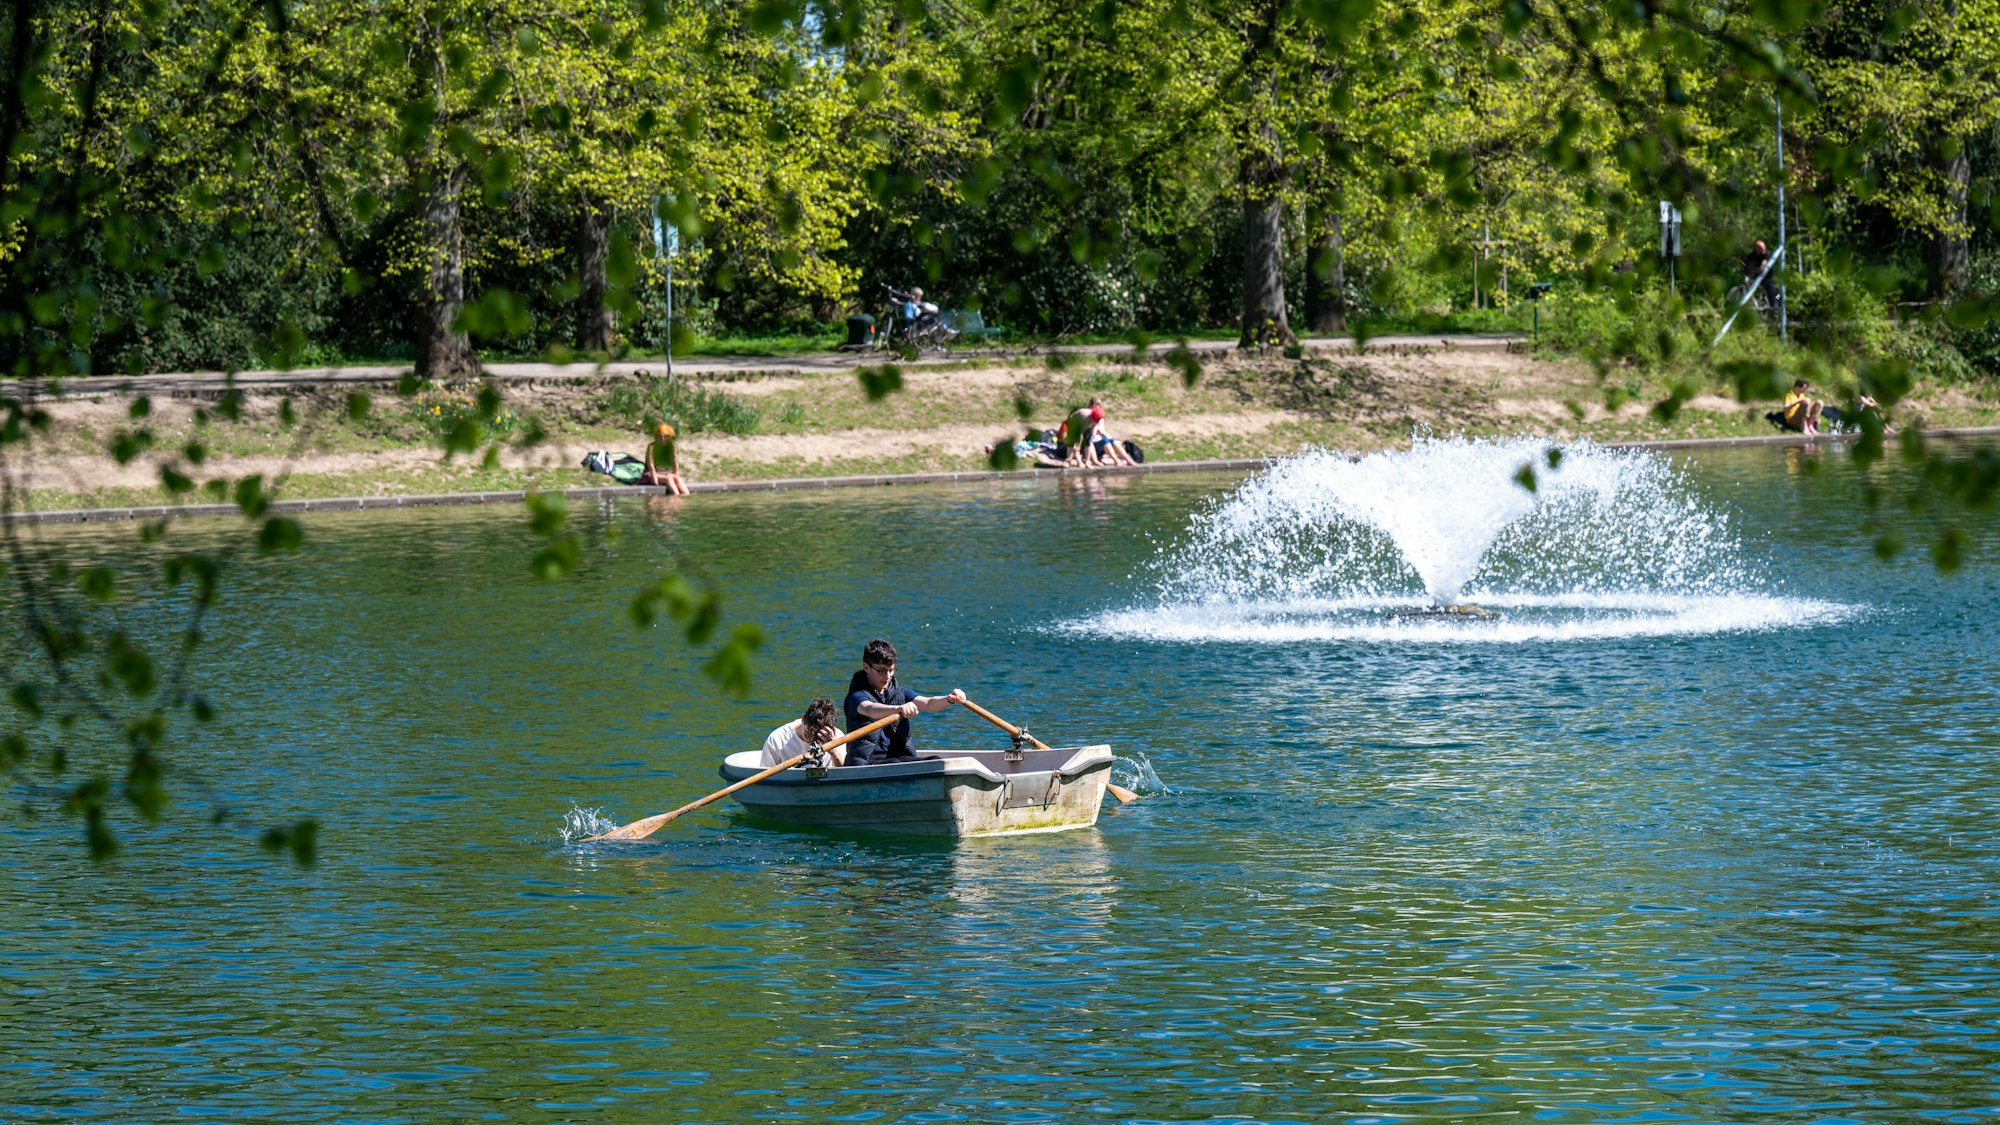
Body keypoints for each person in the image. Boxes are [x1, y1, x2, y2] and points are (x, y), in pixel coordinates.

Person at [842, 638, 966, 764]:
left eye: (891, 670)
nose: (888, 676)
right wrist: (898, 709)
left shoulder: (898, 692)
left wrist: (949, 699)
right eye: (881, 671)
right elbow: (869, 709)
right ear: (866, 667)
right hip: (868, 762)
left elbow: (928, 703)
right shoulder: (856, 696)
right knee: (894, 764)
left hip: (899, 757)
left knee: (936, 762)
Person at [760, 698, 846, 768]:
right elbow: (765, 776)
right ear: (803, 719)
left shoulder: (837, 737)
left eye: (818, 737)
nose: (812, 741)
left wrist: (834, 752)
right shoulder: (778, 739)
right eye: (808, 733)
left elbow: (846, 775)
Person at [640, 422, 689, 494]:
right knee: (669, 479)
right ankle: (676, 496)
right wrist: (655, 481)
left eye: (665, 436)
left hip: (667, 473)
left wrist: (676, 475)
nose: (663, 439)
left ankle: (686, 496)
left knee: (677, 478)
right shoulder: (652, 447)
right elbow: (651, 466)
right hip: (653, 474)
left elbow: (675, 461)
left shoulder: (672, 446)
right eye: (660, 436)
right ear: (656, 436)